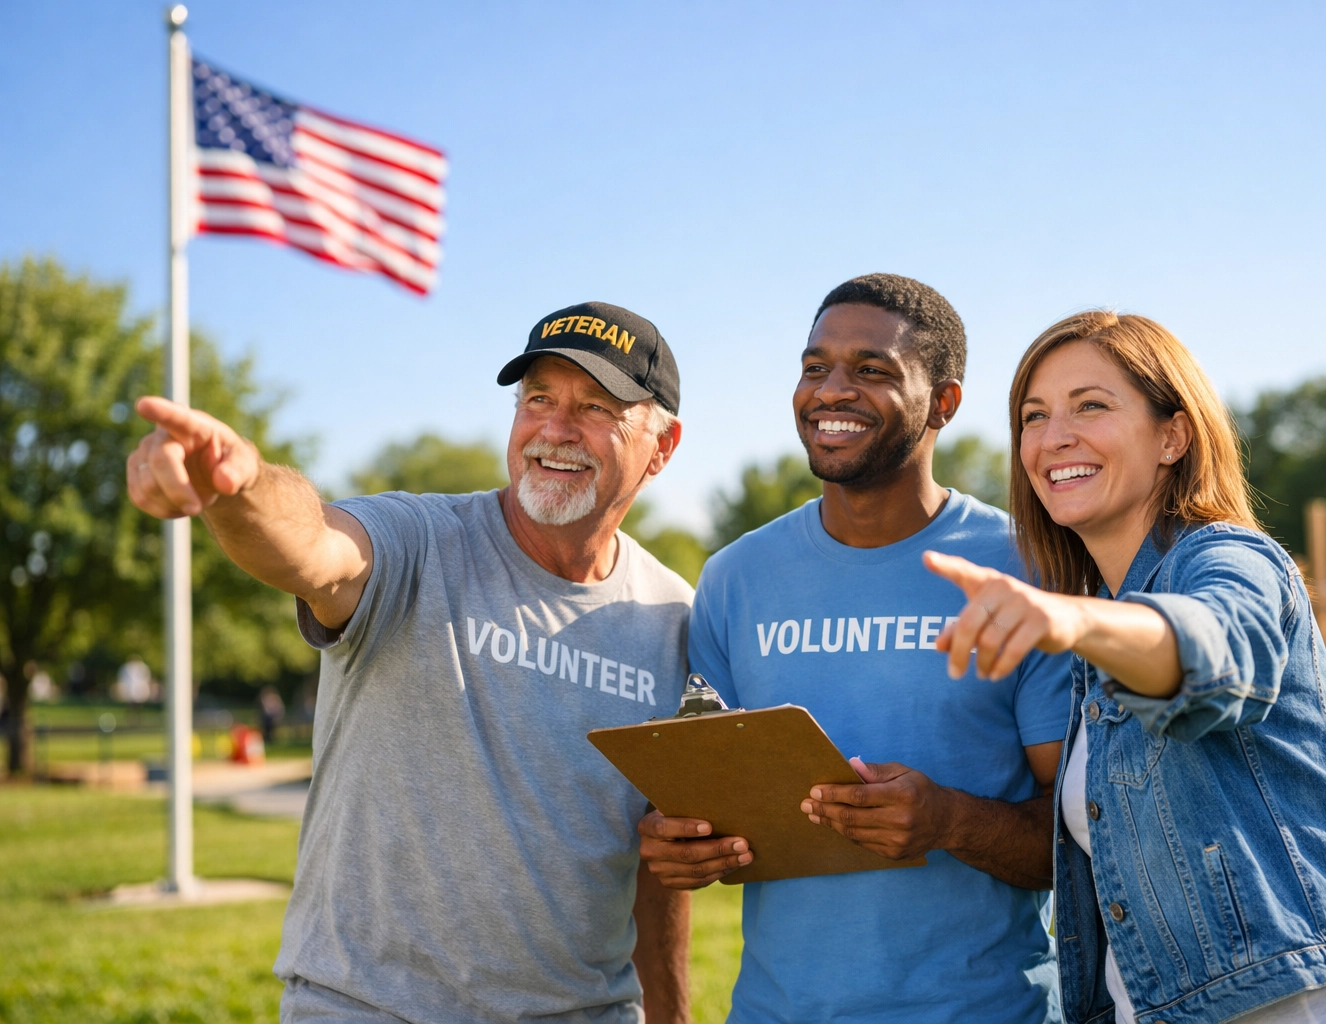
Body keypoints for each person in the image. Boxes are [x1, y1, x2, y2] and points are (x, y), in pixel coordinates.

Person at [127, 302, 695, 1024]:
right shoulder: (421, 541)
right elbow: (314, 546)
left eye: (595, 408)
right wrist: (237, 488)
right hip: (370, 1007)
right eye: (537, 400)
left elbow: (658, 853)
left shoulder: (671, 616)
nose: (554, 429)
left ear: (661, 446)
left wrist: (672, 1016)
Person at [926, 311, 1326, 1024]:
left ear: (1173, 435)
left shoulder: (1227, 558)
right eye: (1033, 417)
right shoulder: (1100, 613)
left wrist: (1072, 621)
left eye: (1090, 405)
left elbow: (1216, 645)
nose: (1053, 437)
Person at [639, 274, 1073, 1023]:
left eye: (871, 370)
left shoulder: (1029, 571)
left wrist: (949, 822)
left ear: (944, 403)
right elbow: (706, 800)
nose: (831, 391)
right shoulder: (736, 578)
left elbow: (1077, 841)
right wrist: (682, 842)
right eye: (815, 368)